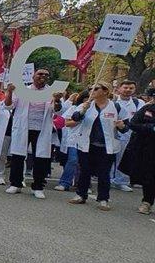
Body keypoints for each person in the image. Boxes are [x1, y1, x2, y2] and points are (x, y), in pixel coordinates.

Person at [65, 81, 128, 210]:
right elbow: (75, 118)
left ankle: (103, 199)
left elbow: (125, 127)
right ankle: (81, 195)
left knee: (104, 173)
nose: (91, 91)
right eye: (90, 89)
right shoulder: (86, 105)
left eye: (95, 89)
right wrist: (83, 110)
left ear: (105, 91)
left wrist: (122, 126)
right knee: (85, 171)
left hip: (107, 147)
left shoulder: (116, 107)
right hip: (87, 145)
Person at [4, 69, 62, 199]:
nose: (43, 76)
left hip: (42, 129)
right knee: (18, 156)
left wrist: (57, 100)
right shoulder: (23, 90)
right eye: (40, 74)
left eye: (46, 74)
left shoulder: (52, 93)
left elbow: (57, 111)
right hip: (23, 128)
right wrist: (9, 92)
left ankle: (38, 186)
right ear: (33, 76)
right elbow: (8, 106)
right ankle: (16, 184)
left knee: (41, 158)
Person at [119, 87, 155, 215]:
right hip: (148, 149)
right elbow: (133, 124)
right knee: (149, 176)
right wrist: (150, 127)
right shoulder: (147, 109)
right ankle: (147, 202)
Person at [54, 90, 90, 192]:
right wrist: (79, 118)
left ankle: (83, 184)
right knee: (73, 160)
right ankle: (64, 182)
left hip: (89, 140)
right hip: (75, 139)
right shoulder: (75, 108)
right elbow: (67, 123)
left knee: (85, 163)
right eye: (87, 98)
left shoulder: (98, 109)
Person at [110, 80, 141, 192]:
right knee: (109, 158)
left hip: (129, 136)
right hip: (111, 134)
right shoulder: (111, 101)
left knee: (125, 159)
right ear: (119, 88)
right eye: (125, 87)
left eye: (131, 88)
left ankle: (121, 181)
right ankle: (108, 179)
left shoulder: (138, 103)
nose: (128, 90)